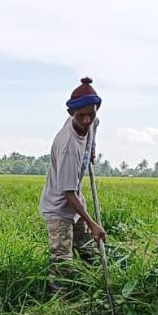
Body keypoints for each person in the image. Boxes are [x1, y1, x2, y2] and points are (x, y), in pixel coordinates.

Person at [38, 77, 107, 296]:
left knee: (88, 251)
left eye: (91, 113)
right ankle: (58, 305)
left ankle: (93, 293)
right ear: (71, 114)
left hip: (76, 202)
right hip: (59, 207)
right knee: (62, 262)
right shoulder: (67, 146)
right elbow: (68, 193)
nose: (87, 120)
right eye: (81, 116)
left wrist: (92, 149)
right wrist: (93, 223)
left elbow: (94, 128)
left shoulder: (91, 121)